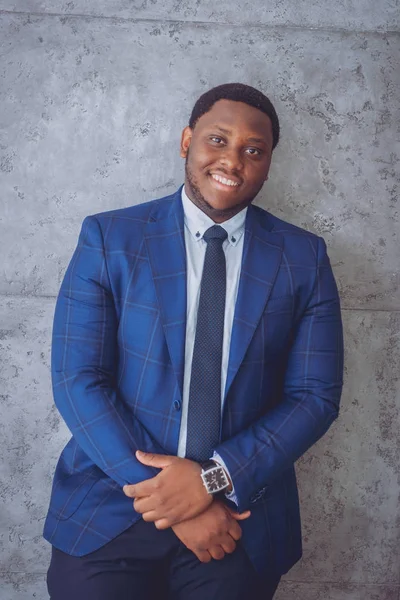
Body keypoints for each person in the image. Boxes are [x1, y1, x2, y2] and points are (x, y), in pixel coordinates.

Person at [44, 82, 344, 600]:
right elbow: (77, 380)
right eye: (218, 139)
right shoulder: (110, 237)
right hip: (111, 504)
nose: (234, 159)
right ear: (187, 140)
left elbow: (314, 398)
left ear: (269, 162)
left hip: (237, 515)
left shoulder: (303, 257)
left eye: (254, 149)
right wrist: (170, 499)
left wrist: (210, 482)